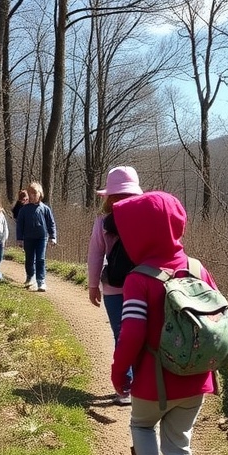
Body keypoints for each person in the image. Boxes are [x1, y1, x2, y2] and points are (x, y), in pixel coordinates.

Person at [110, 190, 218, 455]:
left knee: (141, 425)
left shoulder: (138, 279)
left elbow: (132, 334)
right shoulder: (198, 268)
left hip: (152, 382)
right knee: (180, 446)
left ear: (142, 234)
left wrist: (119, 371)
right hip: (197, 381)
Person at [87, 166, 143, 411]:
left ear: (108, 196)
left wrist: (92, 285)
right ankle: (144, 386)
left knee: (121, 335)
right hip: (143, 286)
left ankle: (126, 387)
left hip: (113, 287)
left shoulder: (102, 221)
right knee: (142, 335)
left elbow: (95, 253)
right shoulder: (147, 217)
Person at [15, 181, 57, 292]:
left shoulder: (45, 209)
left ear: (40, 194)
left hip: (41, 238)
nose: (32, 196)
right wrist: (20, 238)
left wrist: (52, 236)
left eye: (35, 193)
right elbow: (20, 225)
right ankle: (30, 276)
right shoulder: (24, 210)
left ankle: (41, 281)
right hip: (28, 238)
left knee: (40, 259)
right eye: (30, 193)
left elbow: (51, 223)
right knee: (29, 259)